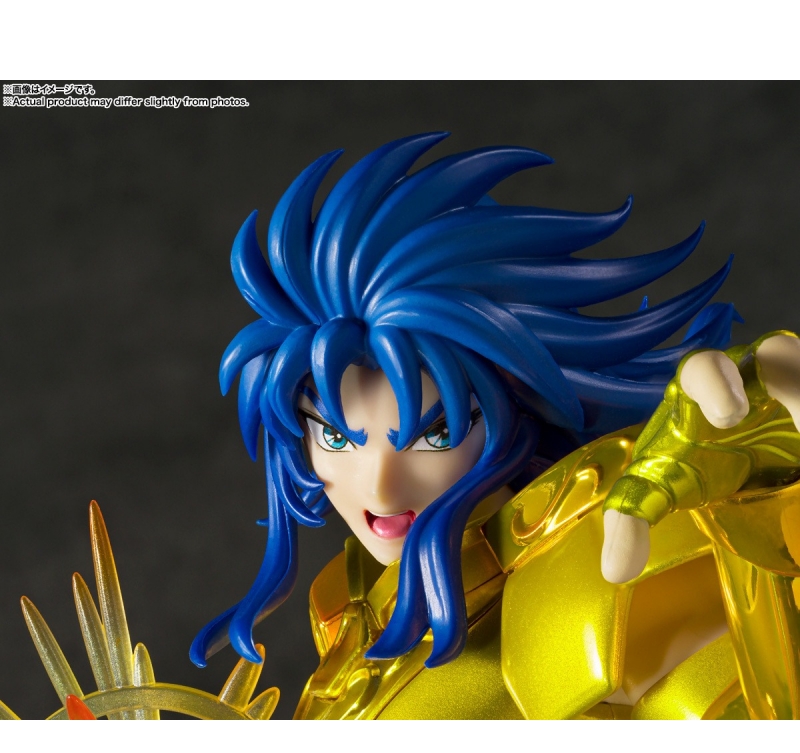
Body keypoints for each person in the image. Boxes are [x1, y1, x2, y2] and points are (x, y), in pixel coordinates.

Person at [190, 133, 800, 719]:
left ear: (510, 412)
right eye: (335, 437)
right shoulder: (347, 604)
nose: (379, 486)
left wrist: (757, 480)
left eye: (435, 435)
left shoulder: (583, 574)